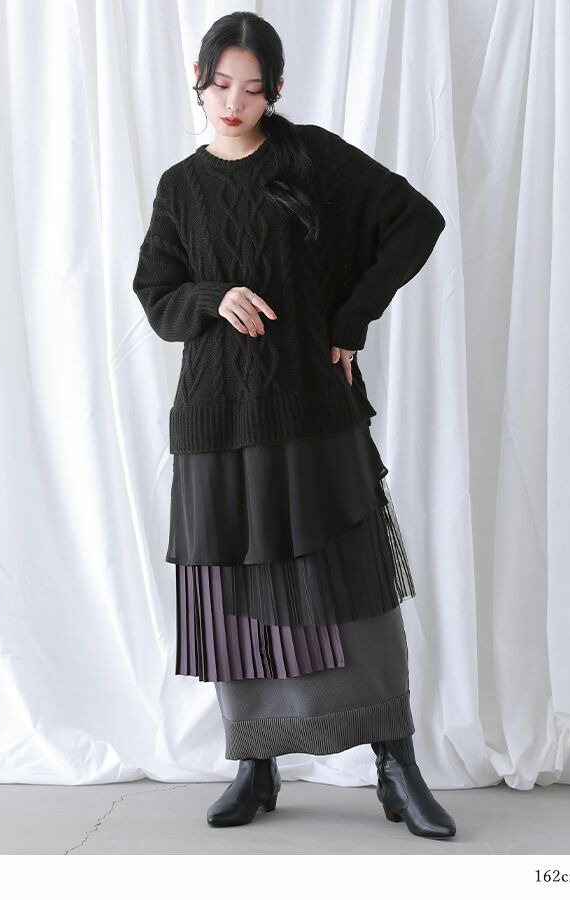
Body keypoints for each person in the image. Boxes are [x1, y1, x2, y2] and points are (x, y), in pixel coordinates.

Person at [132, 11, 455, 840]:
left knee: (352, 582)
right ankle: (256, 760)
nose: (233, 102)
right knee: (237, 596)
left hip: (312, 406)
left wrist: (351, 317)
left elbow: (415, 220)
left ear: (276, 89)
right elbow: (157, 297)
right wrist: (213, 297)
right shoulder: (180, 186)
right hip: (217, 418)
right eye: (220, 85)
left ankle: (395, 763)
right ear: (198, 80)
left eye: (252, 88)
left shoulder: (309, 156)